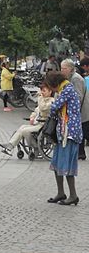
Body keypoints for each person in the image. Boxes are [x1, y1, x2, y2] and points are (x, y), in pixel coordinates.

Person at [44, 69, 82, 205]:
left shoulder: (67, 89)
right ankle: (61, 193)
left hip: (69, 133)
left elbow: (55, 107)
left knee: (67, 165)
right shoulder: (64, 89)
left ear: (54, 84)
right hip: (63, 132)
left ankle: (73, 195)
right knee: (57, 164)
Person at [0, 82, 54, 156]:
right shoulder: (42, 99)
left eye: (44, 91)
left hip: (44, 124)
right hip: (37, 122)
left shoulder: (52, 101)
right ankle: (10, 145)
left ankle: (35, 146)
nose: (42, 93)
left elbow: (43, 108)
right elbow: (36, 111)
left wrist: (40, 98)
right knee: (22, 127)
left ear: (50, 91)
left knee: (25, 131)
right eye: (42, 91)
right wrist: (32, 117)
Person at [60, 58, 89, 161]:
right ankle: (80, 154)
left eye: (64, 68)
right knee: (81, 131)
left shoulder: (76, 79)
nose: (62, 70)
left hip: (82, 111)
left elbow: (78, 97)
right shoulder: (71, 77)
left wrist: (71, 109)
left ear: (70, 68)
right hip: (81, 111)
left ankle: (80, 153)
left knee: (85, 131)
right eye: (61, 68)